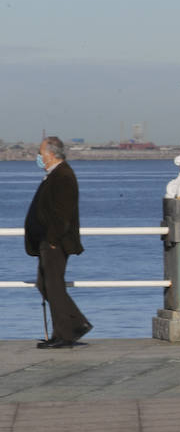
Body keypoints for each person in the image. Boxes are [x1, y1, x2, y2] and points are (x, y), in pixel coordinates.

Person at [24, 136, 91, 349]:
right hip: (48, 240)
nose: (39, 157)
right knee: (46, 285)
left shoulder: (63, 176)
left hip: (55, 242)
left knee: (53, 286)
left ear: (51, 155)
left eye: (41, 153)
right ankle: (72, 325)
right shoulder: (54, 175)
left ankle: (67, 333)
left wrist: (52, 239)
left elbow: (63, 212)